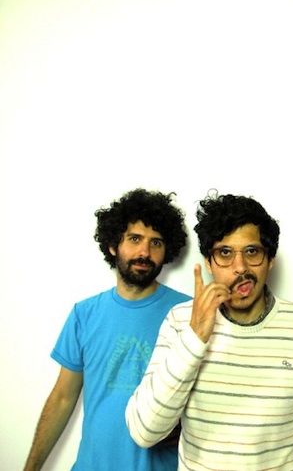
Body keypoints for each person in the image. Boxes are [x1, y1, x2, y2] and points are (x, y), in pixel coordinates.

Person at [126, 193, 293, 470]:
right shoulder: (181, 322)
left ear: (270, 260)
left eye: (252, 252)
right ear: (209, 262)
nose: (240, 267)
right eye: (225, 253)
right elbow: (144, 431)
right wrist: (195, 338)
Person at [24, 188, 191, 471]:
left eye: (156, 243)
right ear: (113, 245)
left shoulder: (188, 313)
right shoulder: (85, 314)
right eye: (135, 239)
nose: (145, 252)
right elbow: (62, 398)